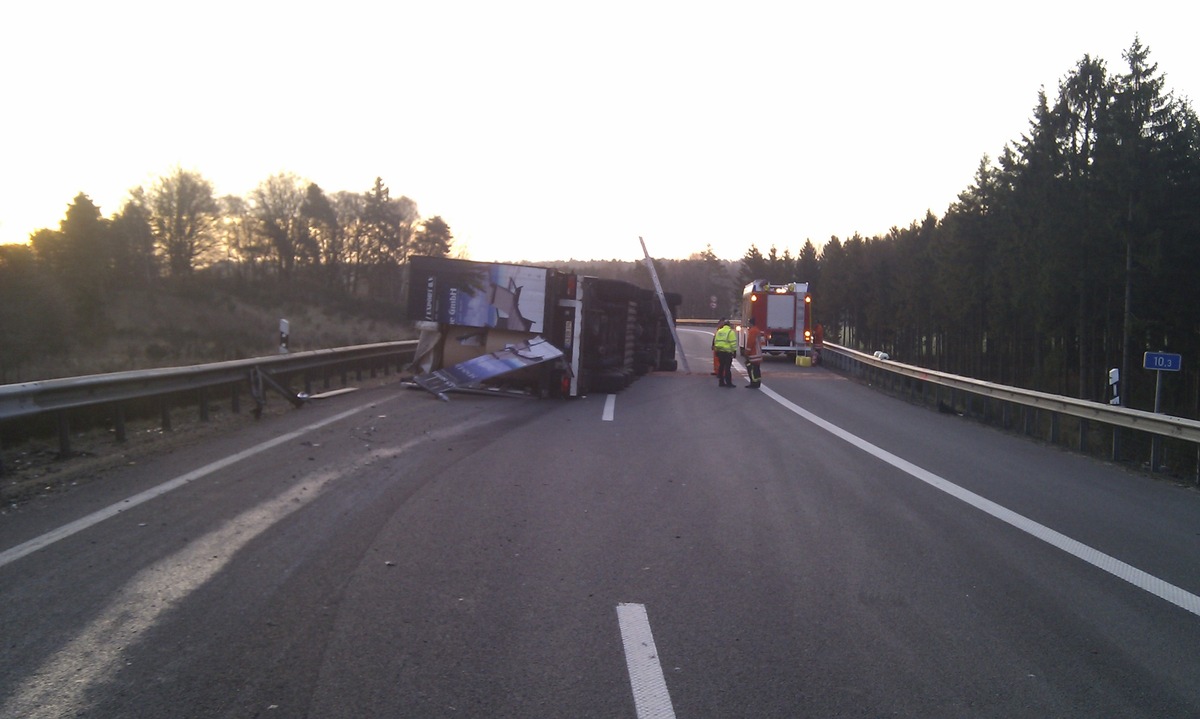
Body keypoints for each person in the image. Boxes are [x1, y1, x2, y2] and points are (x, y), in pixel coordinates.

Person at [713, 318, 738, 388]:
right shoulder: (730, 332)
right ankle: (728, 383)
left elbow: (716, 341)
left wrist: (717, 350)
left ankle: (721, 382)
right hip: (728, 352)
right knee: (727, 368)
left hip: (720, 351)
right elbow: (733, 343)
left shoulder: (719, 331)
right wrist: (734, 351)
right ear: (729, 325)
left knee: (721, 366)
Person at [743, 316, 763, 388]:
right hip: (758, 353)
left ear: (750, 323)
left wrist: (746, 352)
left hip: (753, 354)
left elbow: (750, 343)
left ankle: (753, 383)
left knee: (752, 370)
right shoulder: (757, 330)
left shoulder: (752, 331)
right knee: (757, 369)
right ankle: (757, 382)